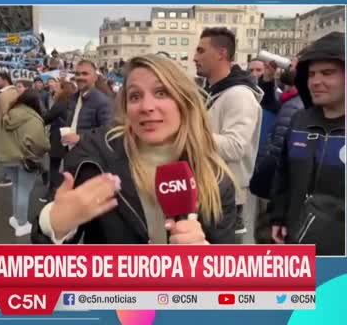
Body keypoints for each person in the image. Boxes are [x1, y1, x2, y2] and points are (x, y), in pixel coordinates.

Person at [32, 55, 237, 244]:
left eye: (161, 92)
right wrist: (55, 225)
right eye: (135, 96)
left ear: (185, 101)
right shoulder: (94, 158)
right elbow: (47, 261)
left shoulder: (216, 178)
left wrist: (204, 261)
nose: (146, 106)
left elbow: (226, 269)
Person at [270, 32, 345, 255]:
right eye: (311, 74)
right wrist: (279, 216)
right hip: (296, 238)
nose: (316, 81)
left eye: (327, 73)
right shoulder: (299, 120)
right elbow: (284, 174)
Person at [193, 27, 263, 236]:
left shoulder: (239, 95)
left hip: (226, 199)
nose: (194, 57)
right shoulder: (215, 92)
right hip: (209, 191)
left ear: (221, 53)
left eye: (201, 51)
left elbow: (234, 147)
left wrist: (189, 134)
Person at [250, 69, 303, 244]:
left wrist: (257, 180)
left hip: (274, 190)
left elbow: (277, 155)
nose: (287, 66)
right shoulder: (288, 100)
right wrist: (267, 80)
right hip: (277, 189)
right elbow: (269, 104)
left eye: (294, 63)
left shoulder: (294, 106)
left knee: (268, 237)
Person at [0, 89, 50, 236]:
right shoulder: (33, 119)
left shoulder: (10, 113)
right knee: (23, 190)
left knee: (16, 187)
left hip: (10, 157)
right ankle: (22, 224)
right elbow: (39, 142)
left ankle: (16, 218)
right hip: (27, 158)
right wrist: (47, 145)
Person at [61, 60, 113, 149]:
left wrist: (80, 138)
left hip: (90, 158)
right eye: (77, 74)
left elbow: (108, 133)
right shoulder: (74, 98)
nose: (80, 77)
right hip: (72, 154)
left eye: (85, 74)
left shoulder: (103, 101)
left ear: (95, 77)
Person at [39, 80, 75, 203]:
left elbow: (47, 118)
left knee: (54, 165)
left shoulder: (60, 103)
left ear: (63, 89)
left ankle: (52, 192)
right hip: (71, 136)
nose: (55, 89)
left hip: (58, 137)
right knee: (68, 166)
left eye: (58, 87)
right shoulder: (74, 102)